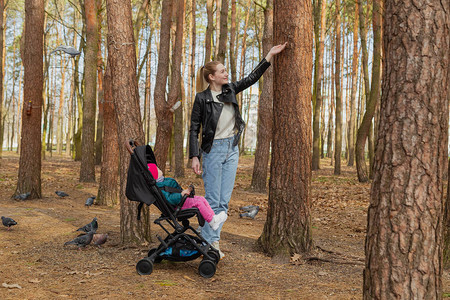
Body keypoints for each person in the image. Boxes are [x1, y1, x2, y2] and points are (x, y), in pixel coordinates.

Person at [189, 42, 288, 258]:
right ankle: (211, 243)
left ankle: (208, 239)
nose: (226, 74)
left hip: (231, 149)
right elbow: (194, 127)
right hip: (212, 151)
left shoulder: (230, 89)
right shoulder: (202, 98)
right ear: (211, 77)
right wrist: (195, 156)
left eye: (226, 70)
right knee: (213, 201)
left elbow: (251, 78)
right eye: (222, 71)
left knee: (223, 202)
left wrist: (269, 55)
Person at [147, 163, 227, 231]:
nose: (159, 169)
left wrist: (184, 192)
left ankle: (213, 218)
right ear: (155, 174)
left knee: (201, 198)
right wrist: (181, 194)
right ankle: (211, 220)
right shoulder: (160, 188)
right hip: (178, 206)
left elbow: (174, 191)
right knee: (198, 202)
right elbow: (169, 199)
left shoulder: (164, 182)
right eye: (157, 169)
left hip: (181, 201)